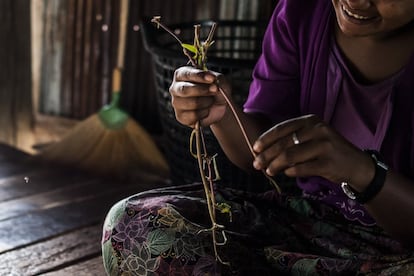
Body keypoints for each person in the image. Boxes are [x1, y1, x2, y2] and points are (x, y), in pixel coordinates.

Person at [101, 0, 414, 274]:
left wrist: (362, 173)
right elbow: (259, 150)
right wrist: (223, 113)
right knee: (132, 224)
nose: (356, 1)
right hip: (313, 230)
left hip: (402, 255)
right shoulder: (302, 12)